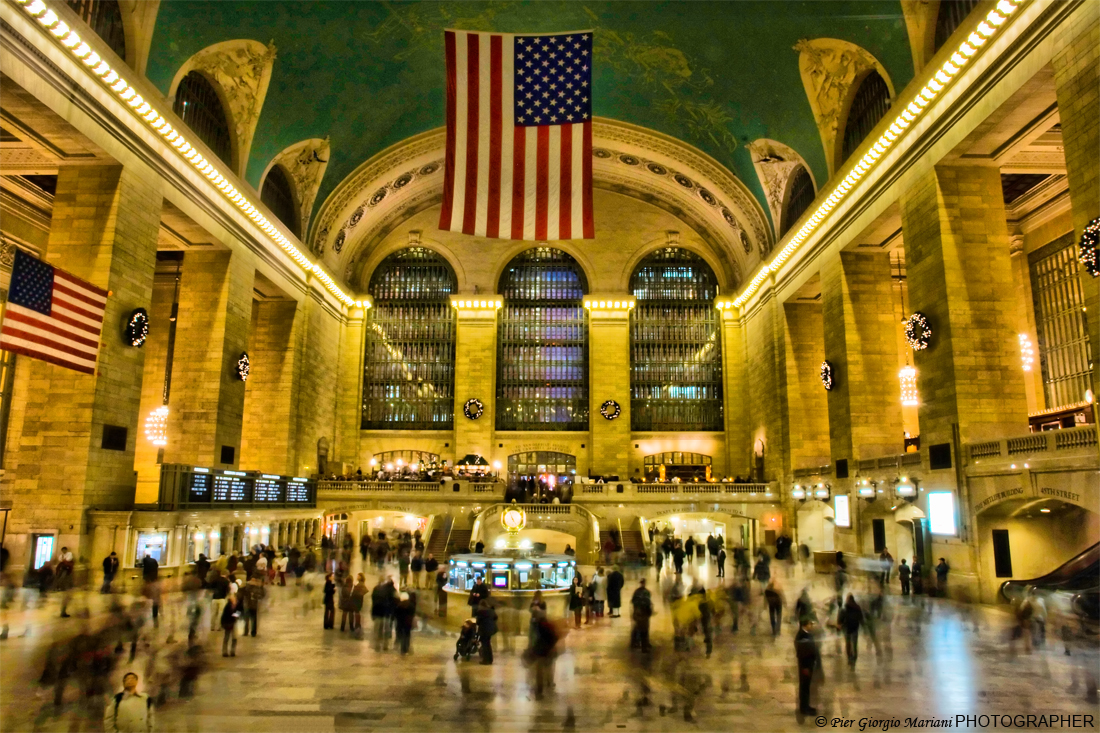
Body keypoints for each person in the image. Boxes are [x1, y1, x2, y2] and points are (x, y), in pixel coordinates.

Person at [794, 618, 820, 716]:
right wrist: (805, 667)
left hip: (808, 665)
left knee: (806, 687)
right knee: (804, 687)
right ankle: (804, 708)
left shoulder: (806, 634)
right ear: (805, 625)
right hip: (805, 666)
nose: (811, 626)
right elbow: (802, 653)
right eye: (810, 624)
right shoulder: (802, 636)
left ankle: (806, 706)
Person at [840, 594, 864, 666]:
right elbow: (861, 618)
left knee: (848, 644)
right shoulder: (857, 607)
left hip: (847, 628)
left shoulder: (844, 608)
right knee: (854, 644)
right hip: (855, 628)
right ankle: (854, 659)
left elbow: (841, 619)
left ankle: (849, 658)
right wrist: (863, 625)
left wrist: (840, 624)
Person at [630, 579, 654, 651]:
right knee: (644, 630)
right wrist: (649, 612)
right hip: (643, 614)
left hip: (638, 613)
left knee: (637, 628)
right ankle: (644, 646)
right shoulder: (646, 592)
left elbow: (633, 601)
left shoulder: (637, 592)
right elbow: (648, 603)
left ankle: (635, 643)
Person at [476, 598, 497, 664]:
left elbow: (478, 622)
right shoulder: (491, 610)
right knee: (488, 644)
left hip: (484, 629)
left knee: (485, 645)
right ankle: (490, 659)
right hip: (491, 629)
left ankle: (485, 660)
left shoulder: (480, 612)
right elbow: (496, 617)